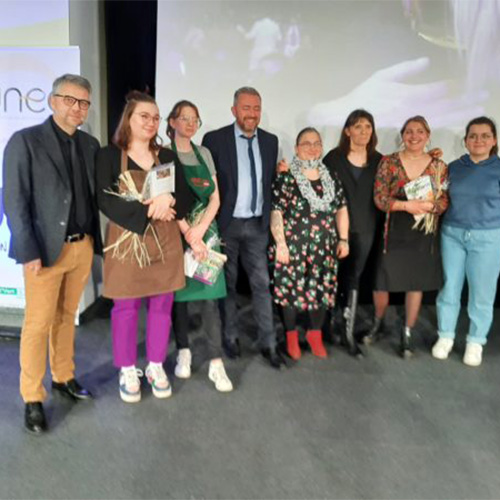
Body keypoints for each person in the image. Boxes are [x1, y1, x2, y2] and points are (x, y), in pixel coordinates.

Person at [3, 74, 102, 434]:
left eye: (84, 103)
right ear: (53, 101)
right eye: (70, 100)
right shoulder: (25, 142)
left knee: (66, 317)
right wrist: (28, 249)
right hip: (44, 252)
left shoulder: (91, 145)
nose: (78, 108)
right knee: (37, 325)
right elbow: (14, 200)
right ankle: (32, 397)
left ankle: (64, 376)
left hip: (82, 247)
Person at [96, 91, 196, 403]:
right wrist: (148, 211)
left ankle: (154, 365)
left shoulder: (165, 157)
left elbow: (187, 196)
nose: (151, 122)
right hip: (127, 241)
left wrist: (170, 202)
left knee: (162, 306)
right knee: (125, 307)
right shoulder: (109, 156)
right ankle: (127, 369)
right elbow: (104, 198)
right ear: (129, 119)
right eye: (144, 116)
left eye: (155, 117)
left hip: (165, 241)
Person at [202, 87, 284, 368]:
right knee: (228, 286)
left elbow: (270, 182)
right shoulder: (214, 140)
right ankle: (230, 336)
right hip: (227, 225)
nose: (252, 113)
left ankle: (269, 343)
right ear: (234, 110)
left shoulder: (271, 142)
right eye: (246, 107)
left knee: (262, 285)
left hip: (258, 226)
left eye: (256, 108)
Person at [167, 100, 233, 392]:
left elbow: (215, 198)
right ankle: (184, 351)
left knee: (210, 297)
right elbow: (165, 198)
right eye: (185, 118)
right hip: (175, 233)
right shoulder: (164, 155)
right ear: (172, 122)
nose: (191, 124)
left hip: (206, 236)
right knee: (178, 299)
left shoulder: (204, 153)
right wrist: (188, 234)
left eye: (196, 119)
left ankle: (217, 364)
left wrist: (200, 232)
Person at [372, 115, 448, 358]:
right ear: (402, 135)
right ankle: (378, 322)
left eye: (419, 131)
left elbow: (445, 199)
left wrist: (432, 207)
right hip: (394, 229)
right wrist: (407, 206)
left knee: (415, 283)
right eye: (409, 131)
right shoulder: (389, 162)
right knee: (382, 280)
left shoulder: (438, 166)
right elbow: (379, 198)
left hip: (423, 233)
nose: (414, 136)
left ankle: (407, 332)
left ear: (427, 135)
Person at [270, 127, 349, 360]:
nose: (312, 147)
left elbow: (341, 209)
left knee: (320, 292)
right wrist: (280, 244)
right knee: (289, 293)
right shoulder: (286, 177)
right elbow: (277, 212)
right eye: (306, 143)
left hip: (324, 247)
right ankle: (292, 337)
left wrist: (343, 238)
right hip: (292, 246)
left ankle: (315, 336)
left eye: (317, 143)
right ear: (296, 148)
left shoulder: (332, 177)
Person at [433, 117, 500, 367]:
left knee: (482, 293)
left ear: (493, 140)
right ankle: (446, 336)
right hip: (452, 235)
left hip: (489, 238)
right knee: (449, 287)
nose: (478, 140)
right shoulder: (453, 167)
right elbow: (439, 197)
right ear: (465, 140)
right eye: (473, 135)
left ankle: (475, 340)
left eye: (485, 136)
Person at [322, 110, 384, 357]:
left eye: (368, 126)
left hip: (366, 229)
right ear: (347, 131)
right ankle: (327, 325)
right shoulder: (333, 158)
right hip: (334, 230)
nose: (363, 131)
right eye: (357, 126)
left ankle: (347, 331)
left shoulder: (379, 160)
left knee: (354, 279)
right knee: (331, 276)